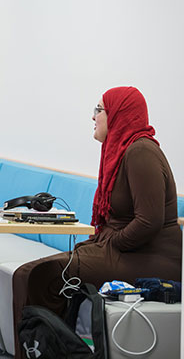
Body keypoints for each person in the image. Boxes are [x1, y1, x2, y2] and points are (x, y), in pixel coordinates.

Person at [11, 86, 182, 358]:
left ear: (118, 114)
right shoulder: (121, 151)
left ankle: (54, 352)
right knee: (27, 274)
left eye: (98, 110)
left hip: (152, 257)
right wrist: (103, 242)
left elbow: (149, 222)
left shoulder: (141, 152)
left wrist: (109, 242)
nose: (93, 117)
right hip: (126, 250)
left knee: (41, 275)